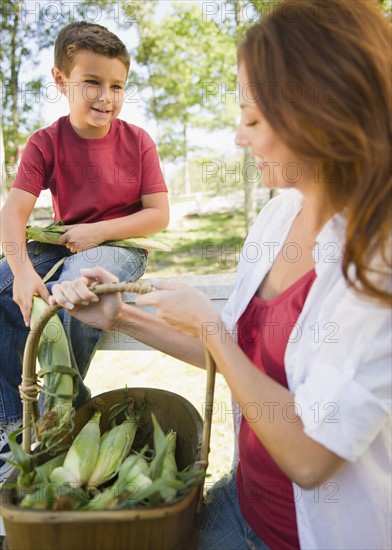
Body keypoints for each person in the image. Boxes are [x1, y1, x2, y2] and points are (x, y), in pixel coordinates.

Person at [51, 0, 391, 548]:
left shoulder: (378, 262)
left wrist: (210, 328)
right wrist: (122, 315)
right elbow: (240, 355)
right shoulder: (280, 215)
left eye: (253, 119)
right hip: (243, 502)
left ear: (323, 116)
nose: (238, 136)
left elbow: (310, 458)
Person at [0, 21, 169, 482]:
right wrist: (19, 271)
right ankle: (13, 422)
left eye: (116, 86)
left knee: (73, 290)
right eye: (91, 82)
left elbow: (157, 215)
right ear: (61, 80)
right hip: (63, 239)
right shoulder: (45, 143)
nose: (105, 97)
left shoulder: (138, 143)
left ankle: (64, 414)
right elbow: (12, 214)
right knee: (4, 287)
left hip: (118, 247)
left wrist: (97, 232)